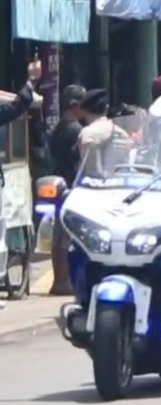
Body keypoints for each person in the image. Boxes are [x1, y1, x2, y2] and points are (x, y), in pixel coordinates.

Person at [47, 82, 84, 295]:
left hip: (59, 182)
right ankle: (64, 280)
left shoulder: (59, 127)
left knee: (59, 233)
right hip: (70, 184)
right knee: (68, 234)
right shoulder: (75, 129)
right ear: (74, 104)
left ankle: (60, 280)